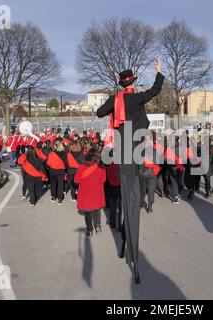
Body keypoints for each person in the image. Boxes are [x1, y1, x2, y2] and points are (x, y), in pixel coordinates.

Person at [96, 58, 164, 284]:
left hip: (123, 157)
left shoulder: (116, 99)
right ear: (132, 82)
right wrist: (158, 72)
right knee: (132, 207)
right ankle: (131, 253)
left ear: (120, 83)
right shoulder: (136, 97)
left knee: (128, 205)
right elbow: (155, 90)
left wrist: (113, 107)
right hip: (136, 156)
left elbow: (98, 112)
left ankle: (127, 247)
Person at [74, 145, 106, 237]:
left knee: (87, 212)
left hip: (85, 193)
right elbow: (103, 180)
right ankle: (97, 226)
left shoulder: (81, 167)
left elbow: (76, 180)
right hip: (97, 192)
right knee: (96, 210)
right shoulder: (101, 167)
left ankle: (89, 229)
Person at [46, 138, 68, 205]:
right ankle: (60, 199)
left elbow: (48, 163)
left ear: (55, 146)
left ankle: (53, 197)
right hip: (61, 171)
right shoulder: (64, 153)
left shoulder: (51, 153)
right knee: (61, 185)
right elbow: (66, 163)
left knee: (53, 185)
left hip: (53, 171)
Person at [106, 159, 122, 229]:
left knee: (113, 205)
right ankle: (120, 224)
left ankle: (112, 222)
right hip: (121, 186)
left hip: (113, 186)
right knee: (121, 206)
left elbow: (108, 175)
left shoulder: (110, 165)